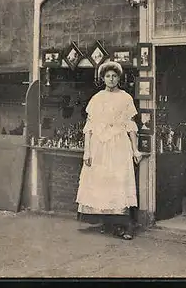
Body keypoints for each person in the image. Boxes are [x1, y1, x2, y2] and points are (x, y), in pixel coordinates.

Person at [76, 61, 143, 240]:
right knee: (103, 182)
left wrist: (135, 150)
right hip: (100, 145)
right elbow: (89, 128)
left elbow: (130, 127)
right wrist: (87, 152)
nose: (111, 79)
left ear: (118, 78)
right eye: (108, 76)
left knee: (120, 182)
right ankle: (109, 223)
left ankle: (127, 226)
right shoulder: (97, 98)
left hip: (119, 145)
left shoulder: (125, 98)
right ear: (103, 78)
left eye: (114, 76)